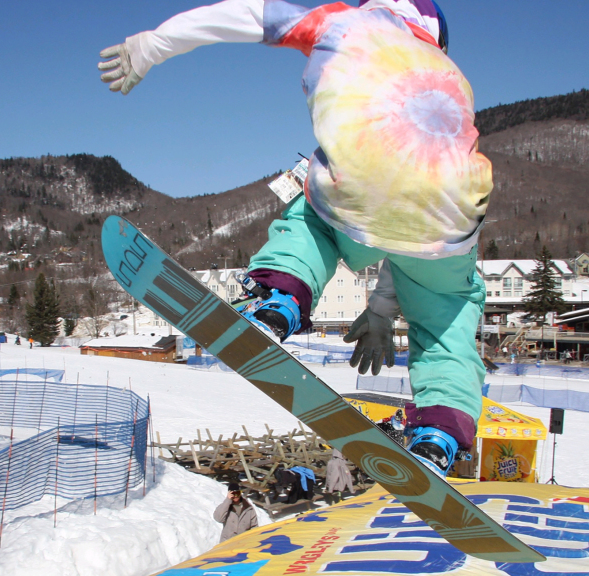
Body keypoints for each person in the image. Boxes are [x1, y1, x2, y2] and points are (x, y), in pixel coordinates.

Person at [100, 0, 487, 478]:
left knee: (312, 221)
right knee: (446, 313)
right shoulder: (449, 73)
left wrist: (153, 46)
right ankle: (439, 431)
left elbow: (244, 13)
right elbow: (407, 221)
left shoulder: (342, 20)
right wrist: (384, 309)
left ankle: (279, 297)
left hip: (358, 186)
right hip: (455, 207)